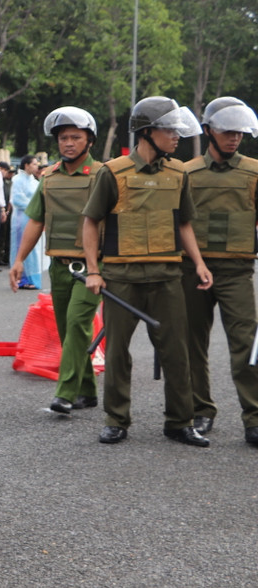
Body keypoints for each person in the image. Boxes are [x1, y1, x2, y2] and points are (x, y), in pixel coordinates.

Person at [82, 96, 213, 446]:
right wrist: (93, 270)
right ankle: (116, 419)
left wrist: (199, 263)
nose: (176, 136)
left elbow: (183, 223)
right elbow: (91, 221)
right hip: (122, 278)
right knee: (117, 352)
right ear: (146, 132)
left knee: (176, 351)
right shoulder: (113, 172)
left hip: (167, 277)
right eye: (169, 130)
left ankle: (180, 422)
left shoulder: (179, 172)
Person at [10, 107, 103, 414]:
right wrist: (19, 260)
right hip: (59, 267)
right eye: (63, 138)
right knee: (68, 331)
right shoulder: (48, 177)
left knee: (77, 324)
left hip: (91, 268)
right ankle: (87, 391)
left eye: (76, 137)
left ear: (89, 140)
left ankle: (65, 393)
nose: (69, 143)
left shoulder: (102, 175)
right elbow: (36, 221)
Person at [182, 97, 258, 447]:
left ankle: (254, 416)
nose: (235, 138)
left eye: (239, 132)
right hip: (193, 269)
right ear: (209, 131)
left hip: (237, 270)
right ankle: (201, 410)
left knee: (246, 342)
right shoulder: (187, 173)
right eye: (228, 131)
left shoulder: (254, 171)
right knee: (193, 342)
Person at [9, 155, 41, 289]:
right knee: (20, 246)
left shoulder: (34, 181)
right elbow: (16, 199)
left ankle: (32, 278)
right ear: (26, 165)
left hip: (33, 217)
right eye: (34, 164)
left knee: (32, 248)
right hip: (21, 218)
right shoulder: (18, 180)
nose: (36, 166)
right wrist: (34, 206)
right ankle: (21, 279)